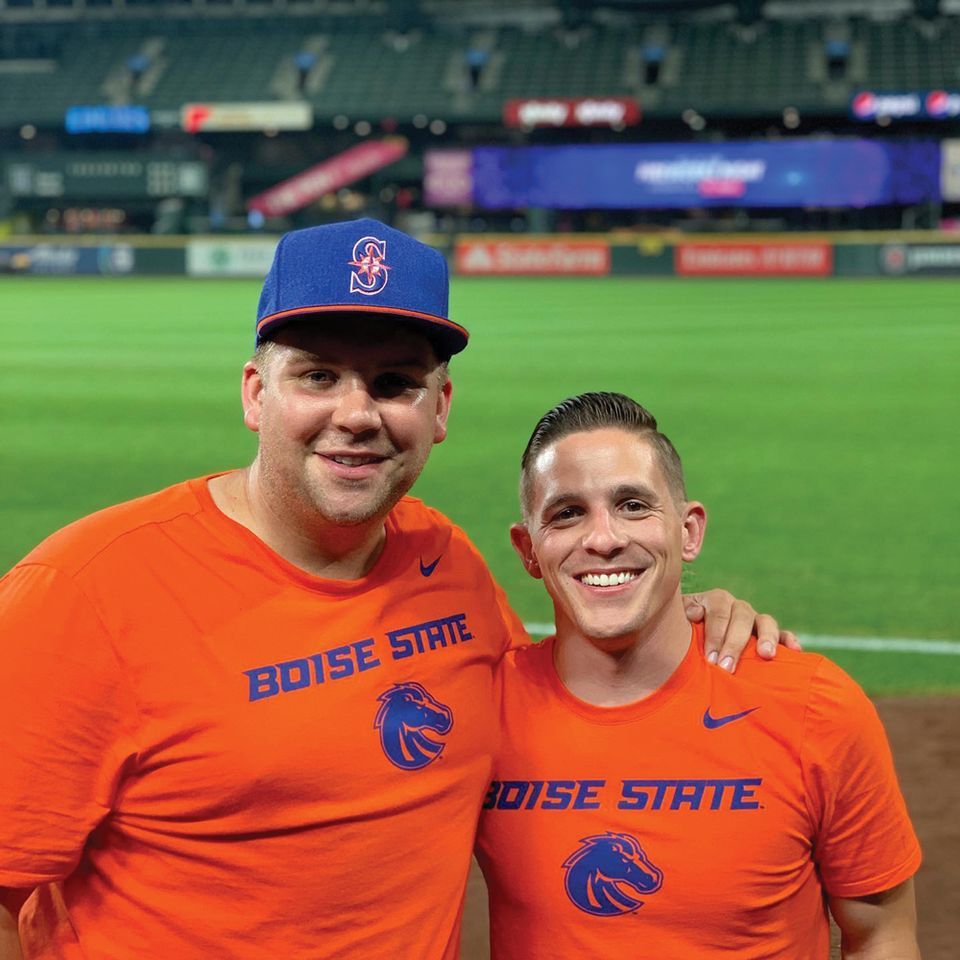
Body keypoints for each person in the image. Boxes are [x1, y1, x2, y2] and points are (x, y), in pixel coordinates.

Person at [0, 222, 792, 960]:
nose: (356, 414)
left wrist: (682, 620)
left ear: (438, 408)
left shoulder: (446, 562)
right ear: (255, 394)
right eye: (318, 375)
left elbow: (560, 713)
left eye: (393, 382)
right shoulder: (83, 593)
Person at [476, 392, 922, 959]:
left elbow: (882, 935)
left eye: (633, 505)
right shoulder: (484, 711)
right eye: (567, 513)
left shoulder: (813, 707)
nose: (604, 539)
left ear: (688, 532)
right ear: (528, 549)